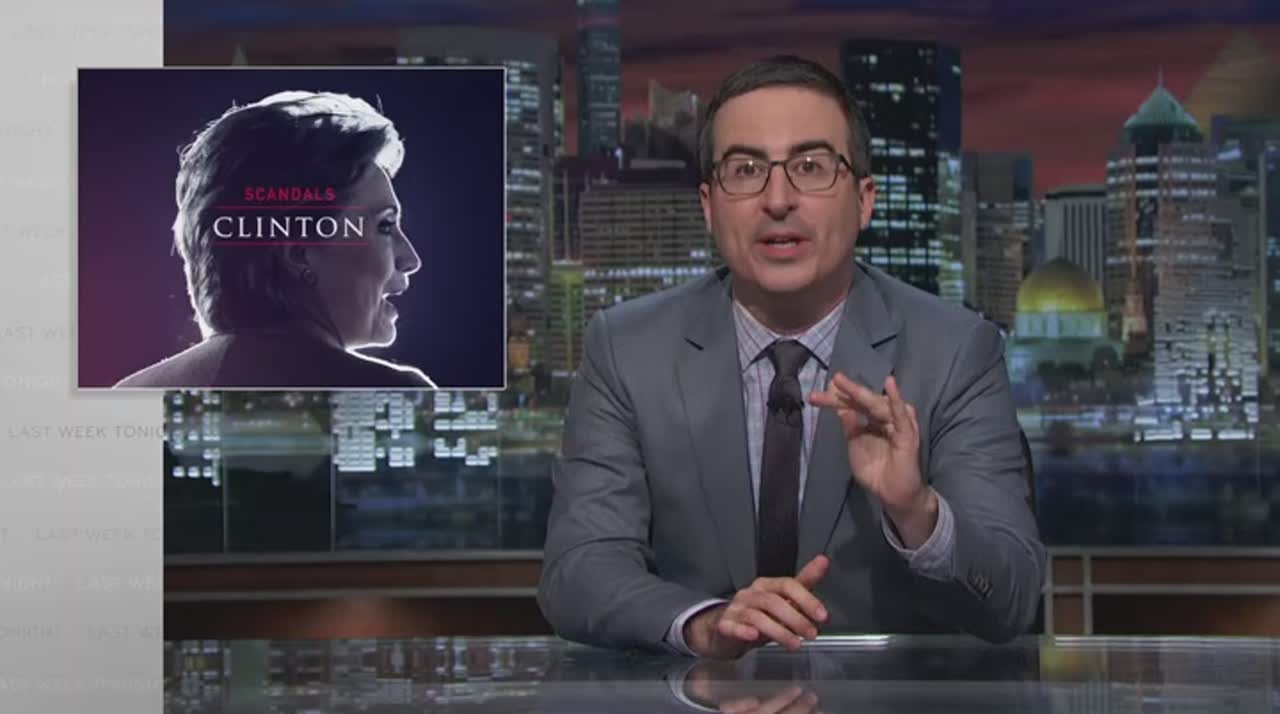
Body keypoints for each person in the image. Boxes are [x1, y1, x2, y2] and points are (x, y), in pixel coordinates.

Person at [537, 55, 1045, 659]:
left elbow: (1012, 598)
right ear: (709, 206)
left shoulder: (956, 351)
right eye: (746, 170)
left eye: (810, 167)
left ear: (864, 200)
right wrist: (702, 623)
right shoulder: (626, 350)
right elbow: (579, 570)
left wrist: (918, 513)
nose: (778, 200)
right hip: (695, 697)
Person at [113, 91, 434, 389]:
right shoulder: (390, 395)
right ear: (299, 252)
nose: (411, 259)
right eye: (384, 226)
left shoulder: (127, 395)